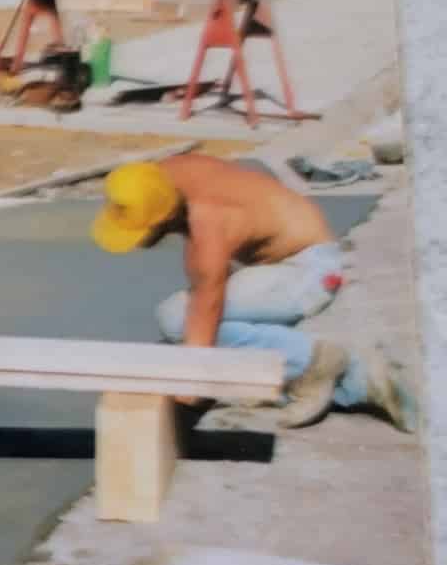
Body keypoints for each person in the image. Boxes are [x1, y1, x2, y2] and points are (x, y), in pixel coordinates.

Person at [91, 154, 415, 430]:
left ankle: (312, 360)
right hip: (292, 260)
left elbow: (207, 307)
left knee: (176, 320)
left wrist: (185, 396)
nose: (140, 241)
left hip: (308, 274)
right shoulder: (160, 176)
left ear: (165, 216)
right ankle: (361, 382)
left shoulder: (209, 227)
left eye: (143, 232)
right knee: (195, 329)